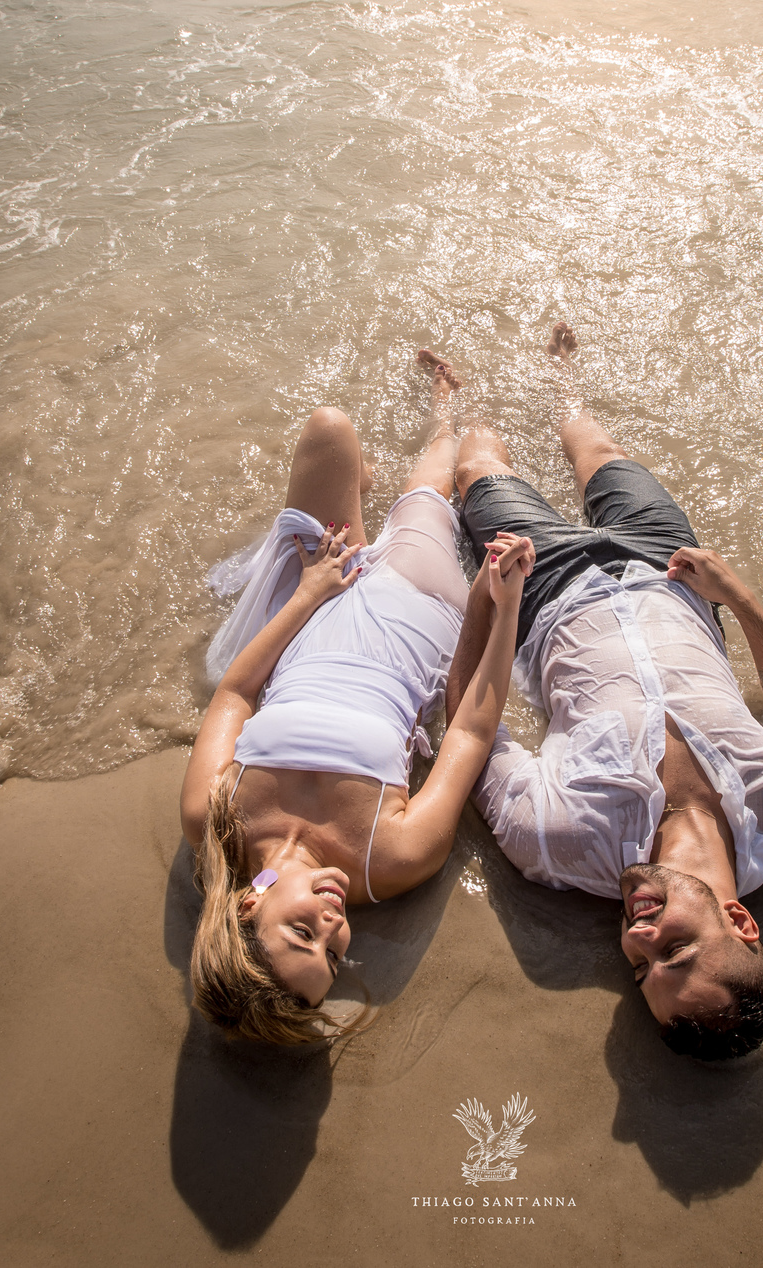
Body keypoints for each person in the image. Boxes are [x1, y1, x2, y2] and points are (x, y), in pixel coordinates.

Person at [451, 323, 763, 1062]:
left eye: (641, 967)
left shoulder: (558, 844)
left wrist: (486, 599)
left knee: (477, 464)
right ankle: (561, 377)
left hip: (544, 591)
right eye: (676, 951)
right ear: (741, 922)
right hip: (672, 571)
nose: (638, 937)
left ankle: (464, 388)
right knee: (596, 450)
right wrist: (735, 593)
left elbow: (474, 727)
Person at [181, 350, 533, 1046]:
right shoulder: (390, 860)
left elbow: (236, 694)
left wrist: (309, 593)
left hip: (320, 597)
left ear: (249, 908)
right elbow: (467, 735)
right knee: (435, 476)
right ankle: (447, 401)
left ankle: (360, 496)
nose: (337, 926)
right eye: (336, 953)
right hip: (417, 607)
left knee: (329, 430)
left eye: (304, 933)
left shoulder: (210, 820)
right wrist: (505, 604)